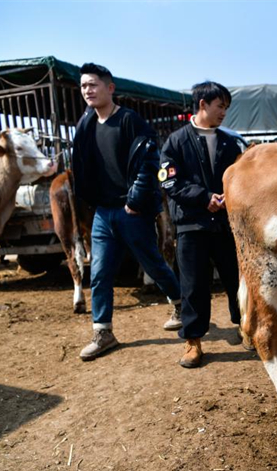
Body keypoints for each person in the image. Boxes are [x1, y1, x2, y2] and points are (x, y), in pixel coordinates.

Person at [73, 63, 182, 361]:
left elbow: (150, 162)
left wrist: (135, 200)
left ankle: (180, 303)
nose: (88, 91)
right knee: (99, 272)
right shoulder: (85, 124)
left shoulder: (130, 121)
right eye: (83, 86)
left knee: (153, 263)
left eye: (93, 84)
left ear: (110, 88)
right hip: (103, 213)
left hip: (132, 210)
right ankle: (103, 332)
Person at [159, 81, 244, 368]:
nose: (224, 113)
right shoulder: (175, 141)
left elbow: (241, 177)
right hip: (191, 227)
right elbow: (168, 181)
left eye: (226, 108)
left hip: (223, 225)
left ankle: (245, 327)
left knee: (236, 280)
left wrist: (226, 198)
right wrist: (203, 197)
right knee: (193, 285)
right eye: (220, 106)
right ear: (203, 105)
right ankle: (193, 342)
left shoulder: (229, 142)